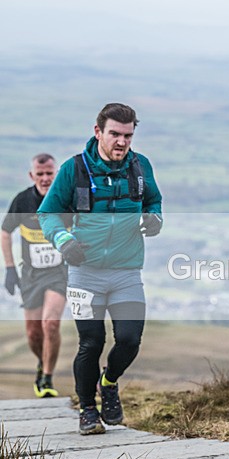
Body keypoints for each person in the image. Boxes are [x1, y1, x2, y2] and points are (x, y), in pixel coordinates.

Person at [38, 103, 163, 435]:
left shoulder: (140, 166)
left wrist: (154, 218)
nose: (122, 142)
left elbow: (154, 200)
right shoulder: (74, 170)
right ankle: (88, 410)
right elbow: (47, 213)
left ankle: (109, 382)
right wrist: (64, 240)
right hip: (85, 271)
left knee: (129, 339)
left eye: (128, 135)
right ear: (98, 132)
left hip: (126, 271)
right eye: (115, 134)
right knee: (90, 342)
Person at [2, 154, 69, 398]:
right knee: (33, 333)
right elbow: (5, 232)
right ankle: (42, 361)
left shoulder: (67, 200)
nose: (45, 178)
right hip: (30, 274)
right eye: (40, 174)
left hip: (59, 273)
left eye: (49, 173)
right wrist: (10, 269)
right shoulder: (22, 201)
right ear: (32, 176)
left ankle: (47, 378)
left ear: (56, 174)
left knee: (50, 324)